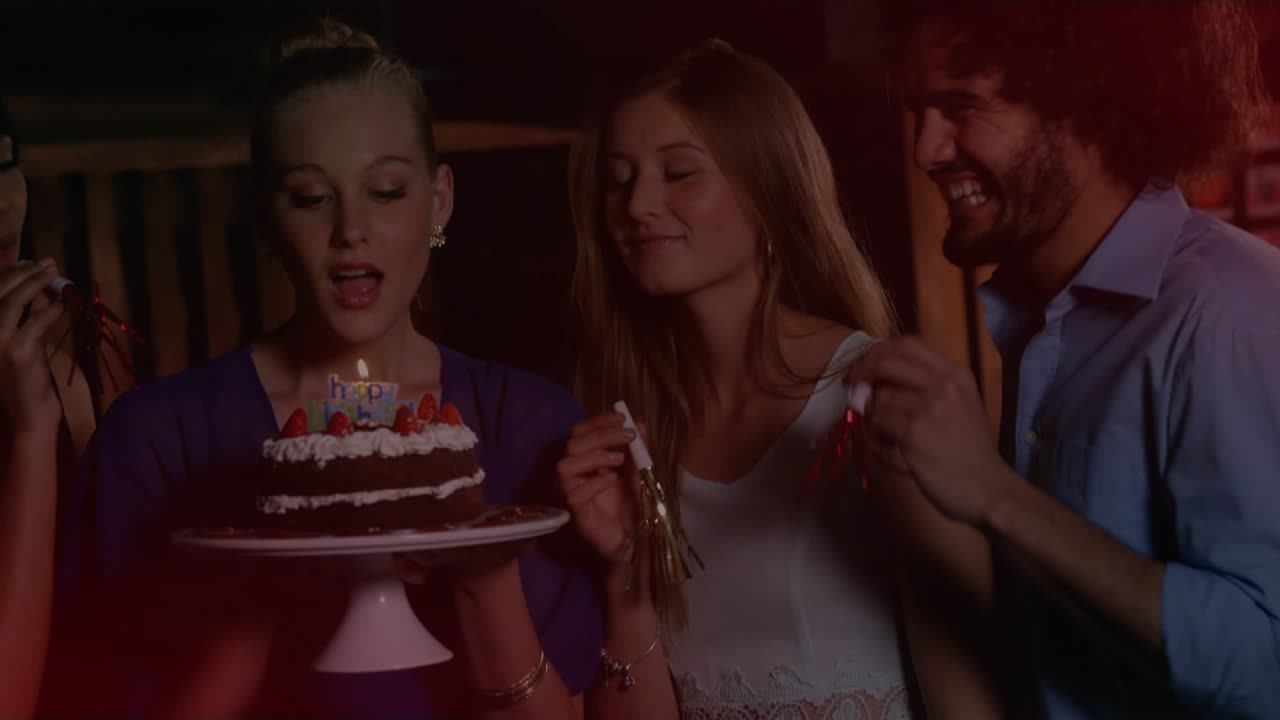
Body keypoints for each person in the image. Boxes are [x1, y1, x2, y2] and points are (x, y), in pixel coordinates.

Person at [45, 21, 599, 719]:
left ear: (440, 200)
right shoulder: (157, 439)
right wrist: (254, 611)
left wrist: (482, 577)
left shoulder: (531, 425)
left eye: (386, 191)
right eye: (311, 197)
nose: (350, 230)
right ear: (265, 218)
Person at [849, 3, 1279, 718]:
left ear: (1089, 104)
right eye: (918, 109)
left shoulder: (1227, 313)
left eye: (961, 107)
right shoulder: (1038, 316)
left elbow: (1269, 662)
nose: (925, 149)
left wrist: (993, 495)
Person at [557, 40, 1004, 720]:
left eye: (680, 172)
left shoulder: (877, 394)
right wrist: (624, 581)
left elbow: (970, 692)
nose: (638, 204)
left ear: (770, 189)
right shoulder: (618, 420)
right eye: (618, 180)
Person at [0, 97, 97, 719]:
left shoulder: (44, 360)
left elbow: (105, 572)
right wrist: (32, 431)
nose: (2, 205)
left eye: (5, 166)